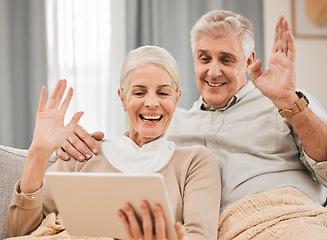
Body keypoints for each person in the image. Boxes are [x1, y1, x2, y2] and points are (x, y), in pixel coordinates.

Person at [57, 10, 327, 239]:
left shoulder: (288, 102)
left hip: (291, 218)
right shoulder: (172, 123)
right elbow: (125, 160)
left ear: (247, 61)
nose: (213, 71)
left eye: (226, 59)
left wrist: (288, 102)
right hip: (222, 229)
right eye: (204, 58)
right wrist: (74, 141)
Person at [6, 46, 221, 240]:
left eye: (163, 93)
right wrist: (38, 154)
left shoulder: (194, 162)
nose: (152, 103)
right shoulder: (84, 152)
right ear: (122, 98)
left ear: (176, 98)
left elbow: (200, 236)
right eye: (139, 92)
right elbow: (20, 232)